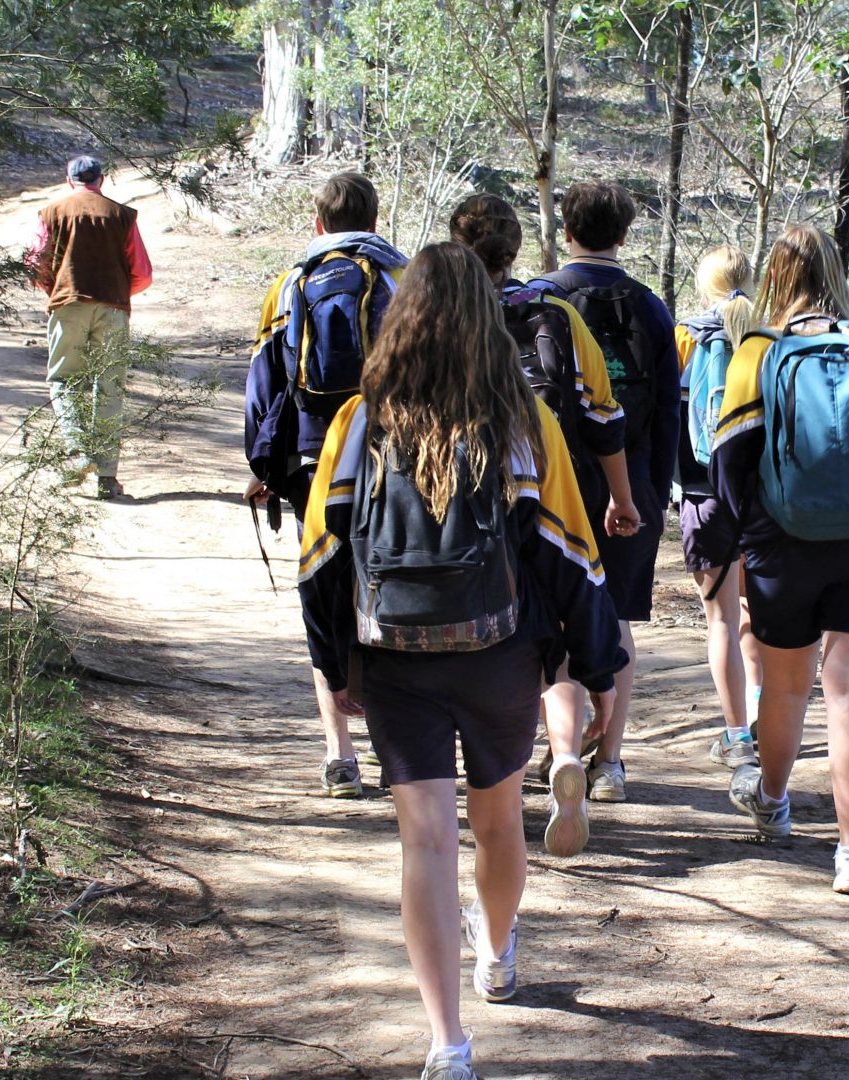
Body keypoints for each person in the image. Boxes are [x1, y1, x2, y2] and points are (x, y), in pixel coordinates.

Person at [297, 242, 625, 1080]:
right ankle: (501, 950)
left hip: (396, 656)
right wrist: (594, 662)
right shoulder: (523, 419)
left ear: (400, 322)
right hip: (501, 656)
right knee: (495, 822)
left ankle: (447, 1044)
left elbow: (319, 561)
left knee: (428, 842)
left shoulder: (359, 420)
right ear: (488, 321)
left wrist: (340, 673)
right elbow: (570, 553)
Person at [711, 224, 849, 895]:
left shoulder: (757, 350)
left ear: (774, 279)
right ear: (833, 274)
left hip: (783, 543)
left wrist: (741, 541)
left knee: (785, 687)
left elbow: (727, 461)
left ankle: (773, 802)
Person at [446, 193, 640, 857]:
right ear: (515, 249)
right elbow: (602, 415)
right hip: (556, 494)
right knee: (554, 635)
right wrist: (619, 499)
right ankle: (564, 755)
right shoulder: (553, 313)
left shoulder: (439, 315)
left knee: (474, 636)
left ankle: (476, 781)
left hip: (459, 504)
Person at [244, 172, 409, 799]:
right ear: (375, 215)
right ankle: (401, 747)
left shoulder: (291, 284)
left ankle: (340, 755)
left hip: (318, 454)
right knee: (390, 583)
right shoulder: (405, 277)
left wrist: (262, 468)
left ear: (319, 224)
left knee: (323, 584)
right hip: (397, 449)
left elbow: (266, 381)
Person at [526, 182, 680, 804]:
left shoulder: (543, 300)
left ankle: (563, 749)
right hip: (631, 487)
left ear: (567, 230)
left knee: (556, 616)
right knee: (612, 615)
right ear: (624, 234)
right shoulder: (651, 308)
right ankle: (610, 761)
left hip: (551, 485)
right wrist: (652, 494)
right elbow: (669, 410)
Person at [674, 246, 762, 772]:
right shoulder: (766, 335)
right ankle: (764, 716)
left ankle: (736, 735)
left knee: (722, 620)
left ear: (701, 285)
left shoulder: (684, 337)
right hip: (763, 500)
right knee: (762, 615)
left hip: (705, 495)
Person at [26, 155, 153, 500]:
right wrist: (116, 292)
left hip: (68, 305)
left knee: (63, 382)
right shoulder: (122, 215)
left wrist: (56, 288)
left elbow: (35, 262)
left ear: (68, 180)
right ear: (102, 179)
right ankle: (107, 479)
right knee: (109, 386)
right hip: (113, 308)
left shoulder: (51, 213)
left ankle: (78, 452)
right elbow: (142, 272)